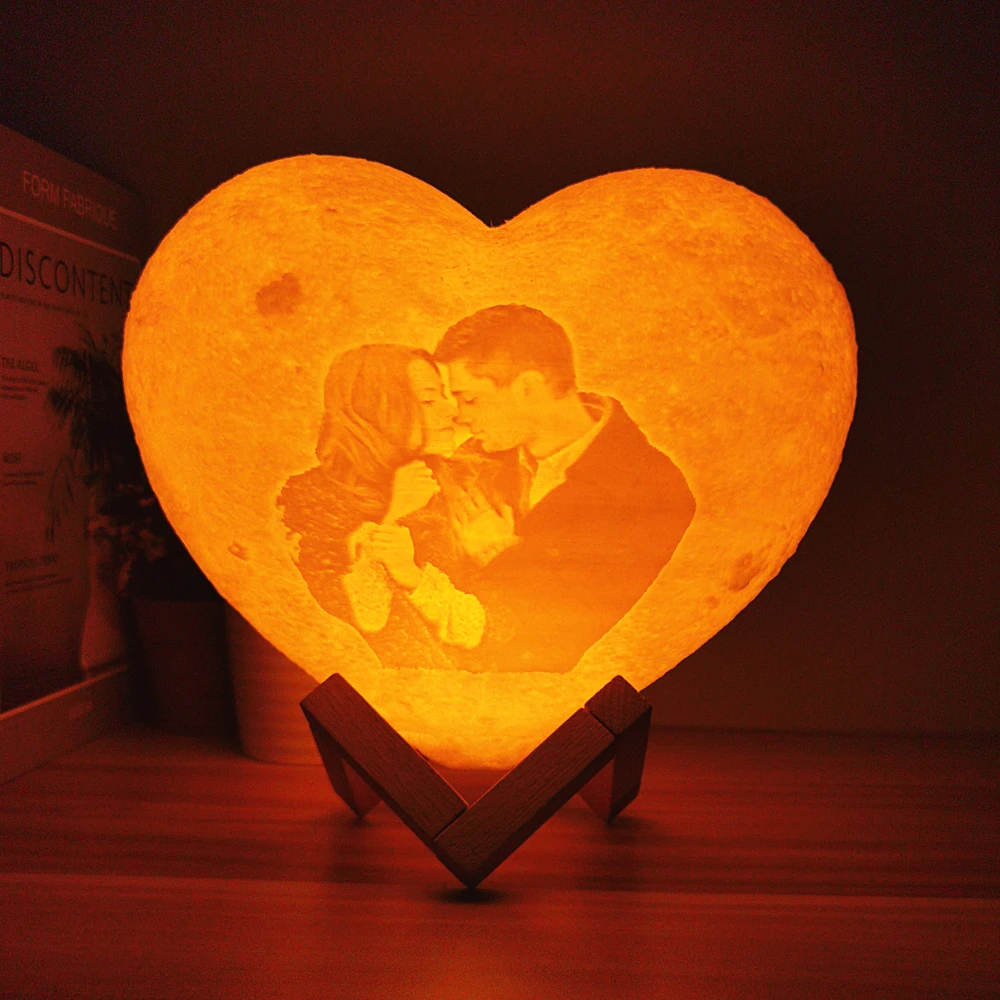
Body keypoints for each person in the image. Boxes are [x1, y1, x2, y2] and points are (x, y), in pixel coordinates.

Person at [373, 303, 696, 674]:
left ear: (528, 388)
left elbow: (562, 637)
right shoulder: (471, 460)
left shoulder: (656, 493)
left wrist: (499, 555)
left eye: (470, 398)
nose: (458, 415)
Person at [277, 343, 495, 671]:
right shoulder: (309, 497)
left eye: (443, 395)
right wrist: (393, 516)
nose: (451, 410)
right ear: (376, 411)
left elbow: (494, 625)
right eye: (428, 401)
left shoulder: (455, 487)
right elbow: (354, 622)